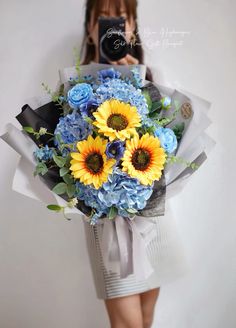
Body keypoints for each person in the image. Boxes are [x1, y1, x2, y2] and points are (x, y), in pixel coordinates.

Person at [79, 1, 187, 327]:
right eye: (102, 18)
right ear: (89, 28)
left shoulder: (152, 77)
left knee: (147, 317)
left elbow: (170, 144)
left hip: (154, 216)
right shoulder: (76, 88)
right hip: (109, 222)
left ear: (133, 26)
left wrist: (136, 81)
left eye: (121, 18)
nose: (113, 26)